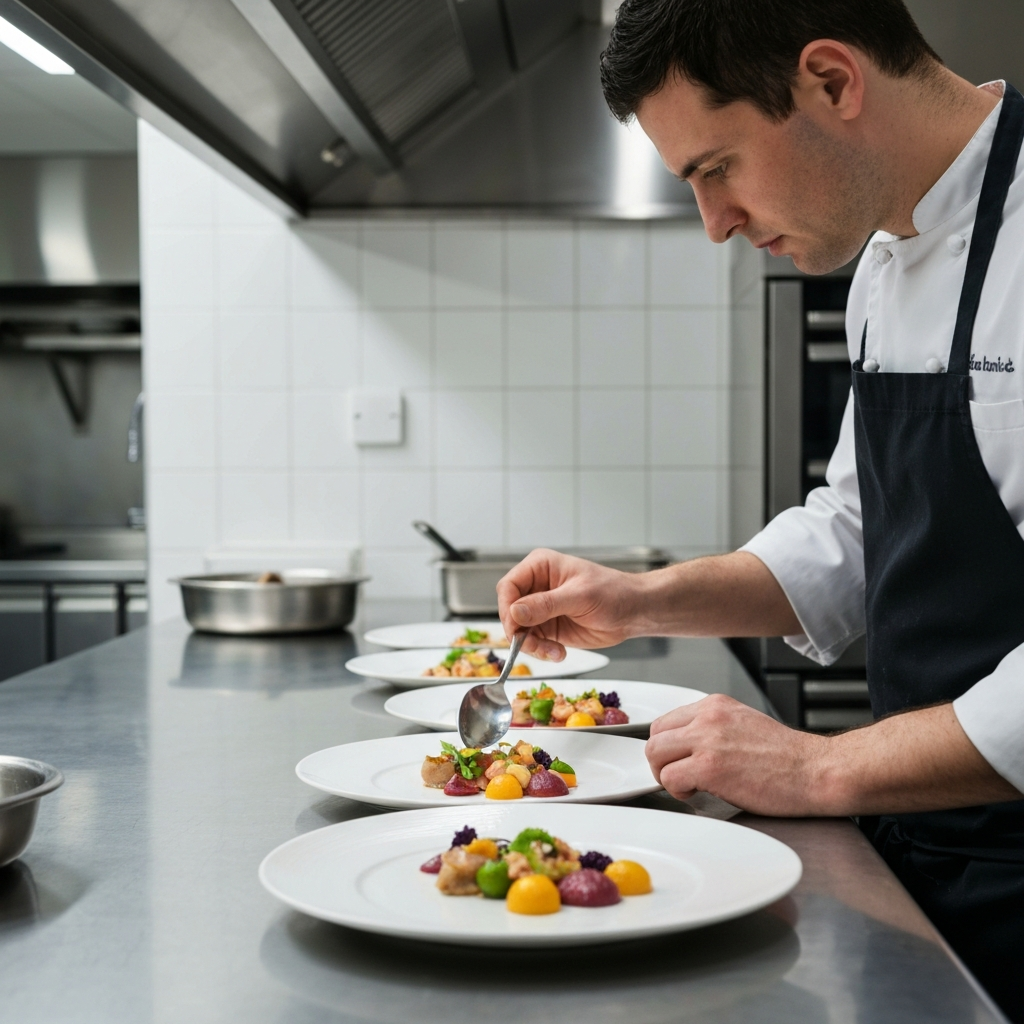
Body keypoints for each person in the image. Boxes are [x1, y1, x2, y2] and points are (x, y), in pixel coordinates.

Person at [496, 0, 1024, 1017]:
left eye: (714, 168)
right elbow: (861, 532)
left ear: (830, 81)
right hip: (935, 843)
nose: (716, 221)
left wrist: (819, 767)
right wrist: (640, 599)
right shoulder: (881, 263)